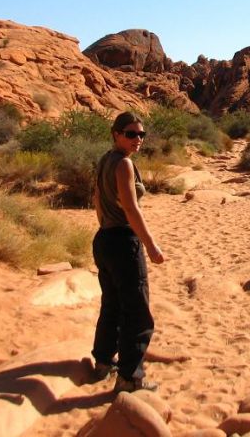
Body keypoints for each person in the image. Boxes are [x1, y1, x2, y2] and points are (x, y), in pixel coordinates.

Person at [91, 111, 165, 393]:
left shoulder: (105, 160)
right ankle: (130, 378)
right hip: (123, 241)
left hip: (104, 240)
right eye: (131, 134)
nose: (138, 140)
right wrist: (150, 244)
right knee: (136, 311)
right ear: (116, 134)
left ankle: (102, 362)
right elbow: (131, 209)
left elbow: (97, 198)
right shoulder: (123, 165)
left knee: (112, 304)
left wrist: (104, 227)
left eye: (141, 134)